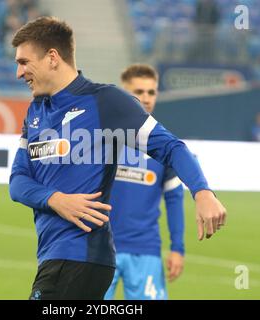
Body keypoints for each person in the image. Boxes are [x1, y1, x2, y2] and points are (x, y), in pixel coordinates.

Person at [9, 16, 227, 300]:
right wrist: (55, 199)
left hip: (82, 256)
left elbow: (172, 147)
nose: (18, 72)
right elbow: (17, 182)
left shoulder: (105, 102)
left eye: (24, 62)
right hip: (52, 255)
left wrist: (202, 192)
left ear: (52, 57)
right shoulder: (36, 112)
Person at [104, 64, 184, 300]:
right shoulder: (103, 138)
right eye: (139, 92)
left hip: (145, 251)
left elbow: (174, 198)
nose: (146, 98)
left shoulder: (164, 145)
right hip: (100, 250)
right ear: (124, 93)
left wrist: (177, 248)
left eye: (151, 92)